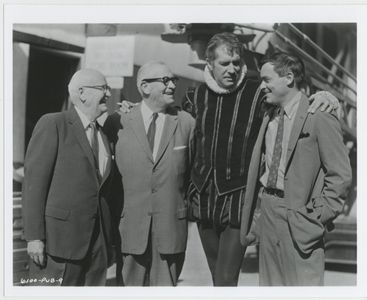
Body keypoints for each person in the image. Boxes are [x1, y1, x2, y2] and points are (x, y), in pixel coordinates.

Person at [119, 32, 339, 286]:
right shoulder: (194, 97)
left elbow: (293, 100)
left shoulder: (259, 94)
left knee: (225, 278)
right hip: (203, 202)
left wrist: (325, 97)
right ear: (210, 64)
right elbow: (162, 118)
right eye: (225, 63)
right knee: (216, 278)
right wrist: (131, 109)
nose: (232, 69)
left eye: (236, 62)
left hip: (239, 204)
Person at [240, 52, 352, 285]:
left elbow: (340, 176)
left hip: (301, 216)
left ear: (289, 77)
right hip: (268, 210)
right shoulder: (268, 112)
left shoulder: (319, 115)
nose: (262, 86)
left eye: (267, 80)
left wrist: (315, 217)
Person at [22, 69, 115, 286]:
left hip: (96, 245)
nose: (109, 94)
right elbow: (34, 185)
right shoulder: (54, 124)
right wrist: (34, 237)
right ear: (82, 93)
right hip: (59, 244)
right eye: (103, 88)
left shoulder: (103, 134)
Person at [114, 61, 195, 286]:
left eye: (173, 81)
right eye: (165, 81)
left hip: (170, 229)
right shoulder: (119, 122)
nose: (172, 86)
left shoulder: (186, 123)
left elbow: (194, 173)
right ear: (144, 87)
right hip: (130, 229)